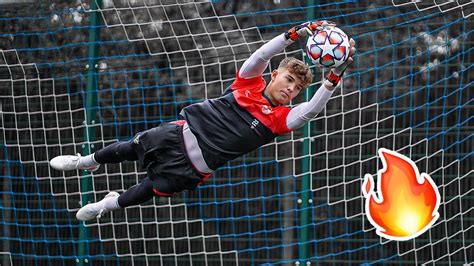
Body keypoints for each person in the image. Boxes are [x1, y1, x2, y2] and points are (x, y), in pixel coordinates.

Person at [50, 20, 356, 221]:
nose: (291, 89)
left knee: (146, 191)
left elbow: (311, 111)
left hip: (193, 168)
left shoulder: (279, 120)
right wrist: (295, 34)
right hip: (178, 135)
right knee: (131, 147)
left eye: (298, 88)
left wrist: (333, 78)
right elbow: (261, 55)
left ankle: (106, 205)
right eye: (288, 79)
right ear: (275, 75)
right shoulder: (247, 84)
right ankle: (86, 161)